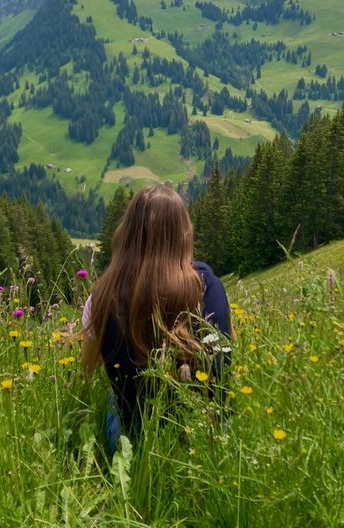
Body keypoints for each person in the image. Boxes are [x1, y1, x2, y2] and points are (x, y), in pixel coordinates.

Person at [81, 184, 232, 451]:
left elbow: (88, 369)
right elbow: (226, 357)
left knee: (113, 402)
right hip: (208, 437)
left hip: (131, 440)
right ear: (183, 234)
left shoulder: (102, 296)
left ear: (126, 234)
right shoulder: (206, 286)